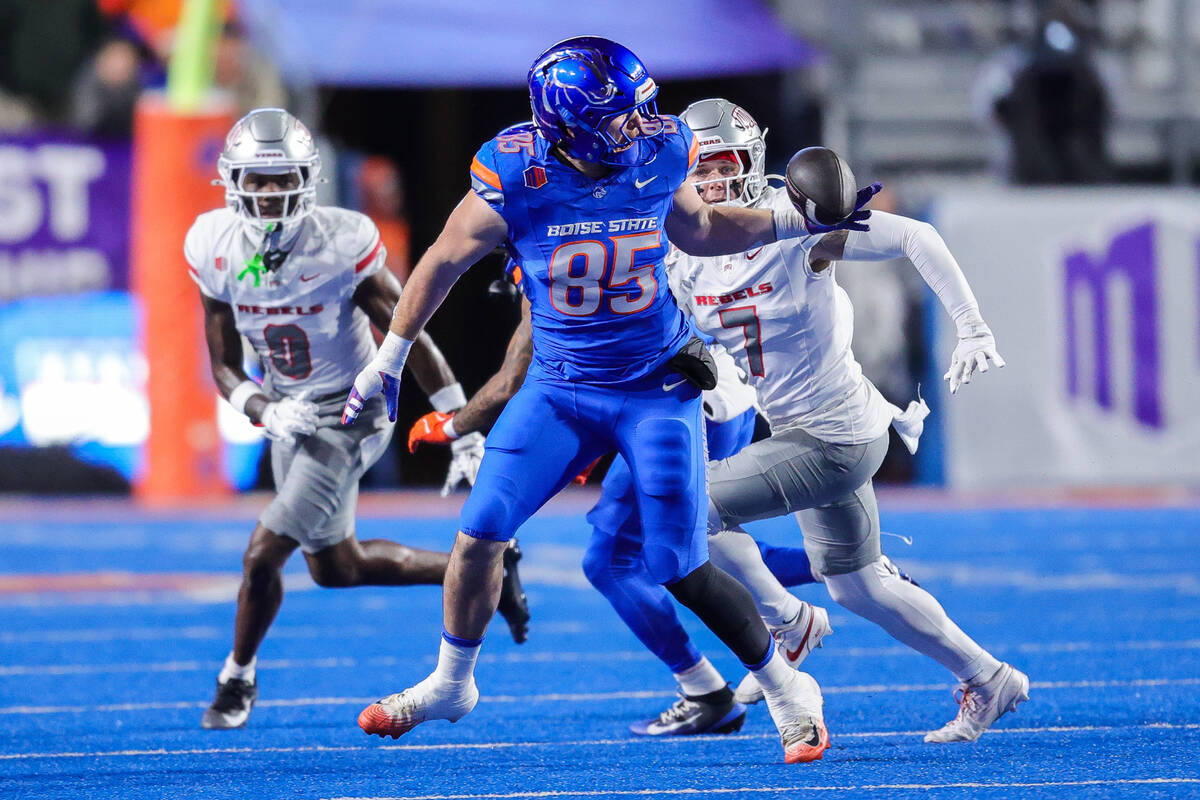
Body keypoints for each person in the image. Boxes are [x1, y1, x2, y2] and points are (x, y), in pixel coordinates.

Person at [341, 37, 875, 764]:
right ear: (572, 125)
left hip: (656, 388)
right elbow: (442, 260)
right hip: (561, 389)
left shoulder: (659, 151)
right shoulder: (514, 170)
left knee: (676, 564)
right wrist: (391, 356)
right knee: (478, 534)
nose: (640, 125)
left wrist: (798, 221)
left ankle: (786, 690)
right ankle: (451, 683)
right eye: (621, 116)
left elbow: (706, 229)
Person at [671, 98, 1029, 743]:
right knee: (858, 588)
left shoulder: (792, 221)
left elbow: (916, 235)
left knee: (686, 511)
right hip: (804, 431)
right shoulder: (680, 240)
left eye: (725, 162)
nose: (714, 180)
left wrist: (972, 330)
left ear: (751, 160)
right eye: (701, 167)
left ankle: (786, 620)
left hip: (835, 435)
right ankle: (988, 676)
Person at [186, 108, 529, 730]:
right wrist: (265, 409)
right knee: (336, 568)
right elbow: (223, 365)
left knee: (264, 552)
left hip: (352, 410)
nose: (268, 193)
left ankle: (235, 679)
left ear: (306, 178)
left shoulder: (341, 241)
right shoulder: (211, 245)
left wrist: (459, 424)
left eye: (281, 177)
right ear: (232, 181)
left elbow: (409, 333)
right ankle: (489, 570)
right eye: (256, 181)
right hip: (290, 411)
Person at [410, 262, 831, 738]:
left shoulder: (551, 236)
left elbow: (521, 372)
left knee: (629, 560)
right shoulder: (620, 217)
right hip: (703, 397)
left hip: (679, 403)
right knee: (699, 545)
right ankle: (831, 578)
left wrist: (452, 424)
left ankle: (753, 658)